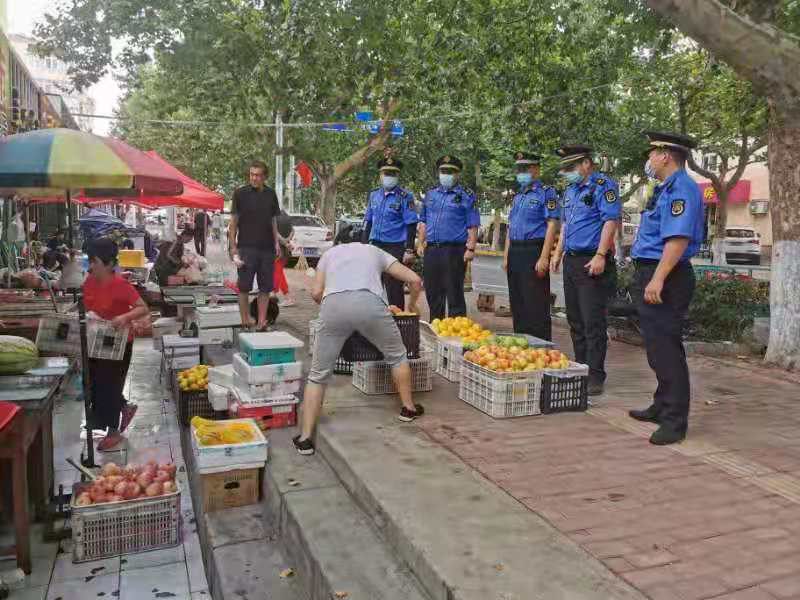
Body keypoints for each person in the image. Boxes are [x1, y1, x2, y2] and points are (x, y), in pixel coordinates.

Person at [293, 243, 424, 456]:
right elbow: (415, 280)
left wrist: (332, 308)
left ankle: (305, 438)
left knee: (317, 375)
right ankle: (408, 409)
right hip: (370, 304)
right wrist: (412, 305)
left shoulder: (329, 254)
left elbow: (316, 292)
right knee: (397, 355)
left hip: (333, 305)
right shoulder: (375, 251)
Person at [628, 132, 703, 445]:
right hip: (653, 270)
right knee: (658, 347)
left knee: (666, 350)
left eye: (652, 153)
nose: (649, 159)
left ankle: (675, 421)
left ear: (666, 155)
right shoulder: (664, 188)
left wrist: (657, 278)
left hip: (667, 275)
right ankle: (661, 405)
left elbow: (678, 239)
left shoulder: (682, 189)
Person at [550, 144, 620, 396]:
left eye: (571, 167)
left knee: (593, 322)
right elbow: (566, 225)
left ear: (587, 164)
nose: (567, 172)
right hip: (572, 260)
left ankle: (595, 375)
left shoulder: (603, 186)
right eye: (565, 168)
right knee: (575, 320)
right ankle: (580, 368)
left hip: (593, 260)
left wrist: (601, 254)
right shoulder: (570, 191)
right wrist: (558, 253)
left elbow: (610, 221)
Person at [82, 238, 150, 452]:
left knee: (110, 384)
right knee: (96, 382)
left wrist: (124, 317)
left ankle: (114, 432)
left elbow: (143, 308)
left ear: (110, 264)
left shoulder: (121, 285)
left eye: (94, 261)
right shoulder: (89, 282)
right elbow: (86, 306)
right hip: (95, 340)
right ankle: (122, 407)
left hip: (118, 343)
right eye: (89, 261)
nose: (90, 266)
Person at [503, 151, 560, 341]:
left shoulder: (546, 192)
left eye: (525, 169)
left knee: (535, 304)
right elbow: (511, 227)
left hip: (533, 251)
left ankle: (541, 348)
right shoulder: (518, 195)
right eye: (518, 169)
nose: (521, 173)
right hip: (515, 251)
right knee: (518, 303)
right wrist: (506, 256)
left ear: (536, 169)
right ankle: (521, 345)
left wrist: (545, 257)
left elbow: (552, 224)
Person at [419, 155, 480, 321]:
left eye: (450, 171)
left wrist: (471, 248)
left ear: (457, 174)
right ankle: (436, 328)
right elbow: (424, 220)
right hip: (432, 249)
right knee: (433, 292)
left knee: (454, 293)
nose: (446, 174)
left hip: (454, 250)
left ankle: (457, 334)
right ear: (438, 172)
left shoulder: (467, 195)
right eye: (443, 171)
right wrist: (420, 241)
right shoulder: (430, 194)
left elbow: (473, 224)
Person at [229, 160, 282, 331]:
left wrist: (276, 243)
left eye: (258, 175)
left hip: (267, 249)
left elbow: (273, 220)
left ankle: (261, 322)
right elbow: (233, 223)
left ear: (264, 176)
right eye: (252, 174)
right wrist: (233, 247)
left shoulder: (271, 194)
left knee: (265, 287)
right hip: (246, 247)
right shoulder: (240, 194)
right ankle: (245, 320)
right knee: (243, 286)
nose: (254, 178)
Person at [361, 157, 418, 309]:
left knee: (394, 288)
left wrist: (409, 249)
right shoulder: (374, 195)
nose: (389, 177)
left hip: (395, 248)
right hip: (375, 246)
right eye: (386, 173)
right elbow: (368, 222)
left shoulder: (405, 197)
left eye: (393, 174)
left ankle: (397, 323)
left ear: (398, 176)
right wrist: (363, 246)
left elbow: (411, 224)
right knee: (373, 286)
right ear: (380, 175)